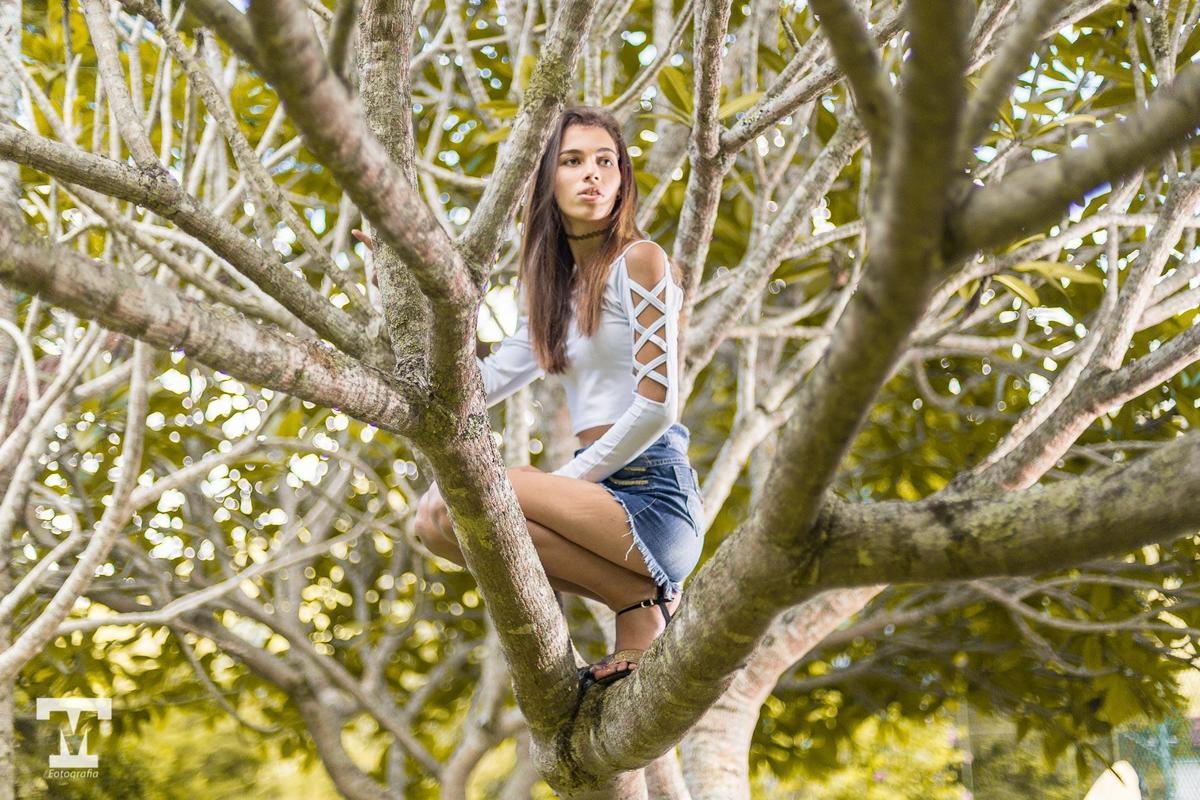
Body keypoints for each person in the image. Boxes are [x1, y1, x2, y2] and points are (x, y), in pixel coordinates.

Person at [399, 106, 705, 689]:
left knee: (478, 491)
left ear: (622, 178)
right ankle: (639, 606)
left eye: (605, 161)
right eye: (572, 161)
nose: (592, 175)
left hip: (652, 497)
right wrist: (412, 290)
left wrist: (569, 480)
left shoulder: (639, 260)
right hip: (598, 504)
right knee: (436, 523)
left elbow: (659, 403)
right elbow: (482, 383)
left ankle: (647, 596)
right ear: (547, 179)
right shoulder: (552, 289)